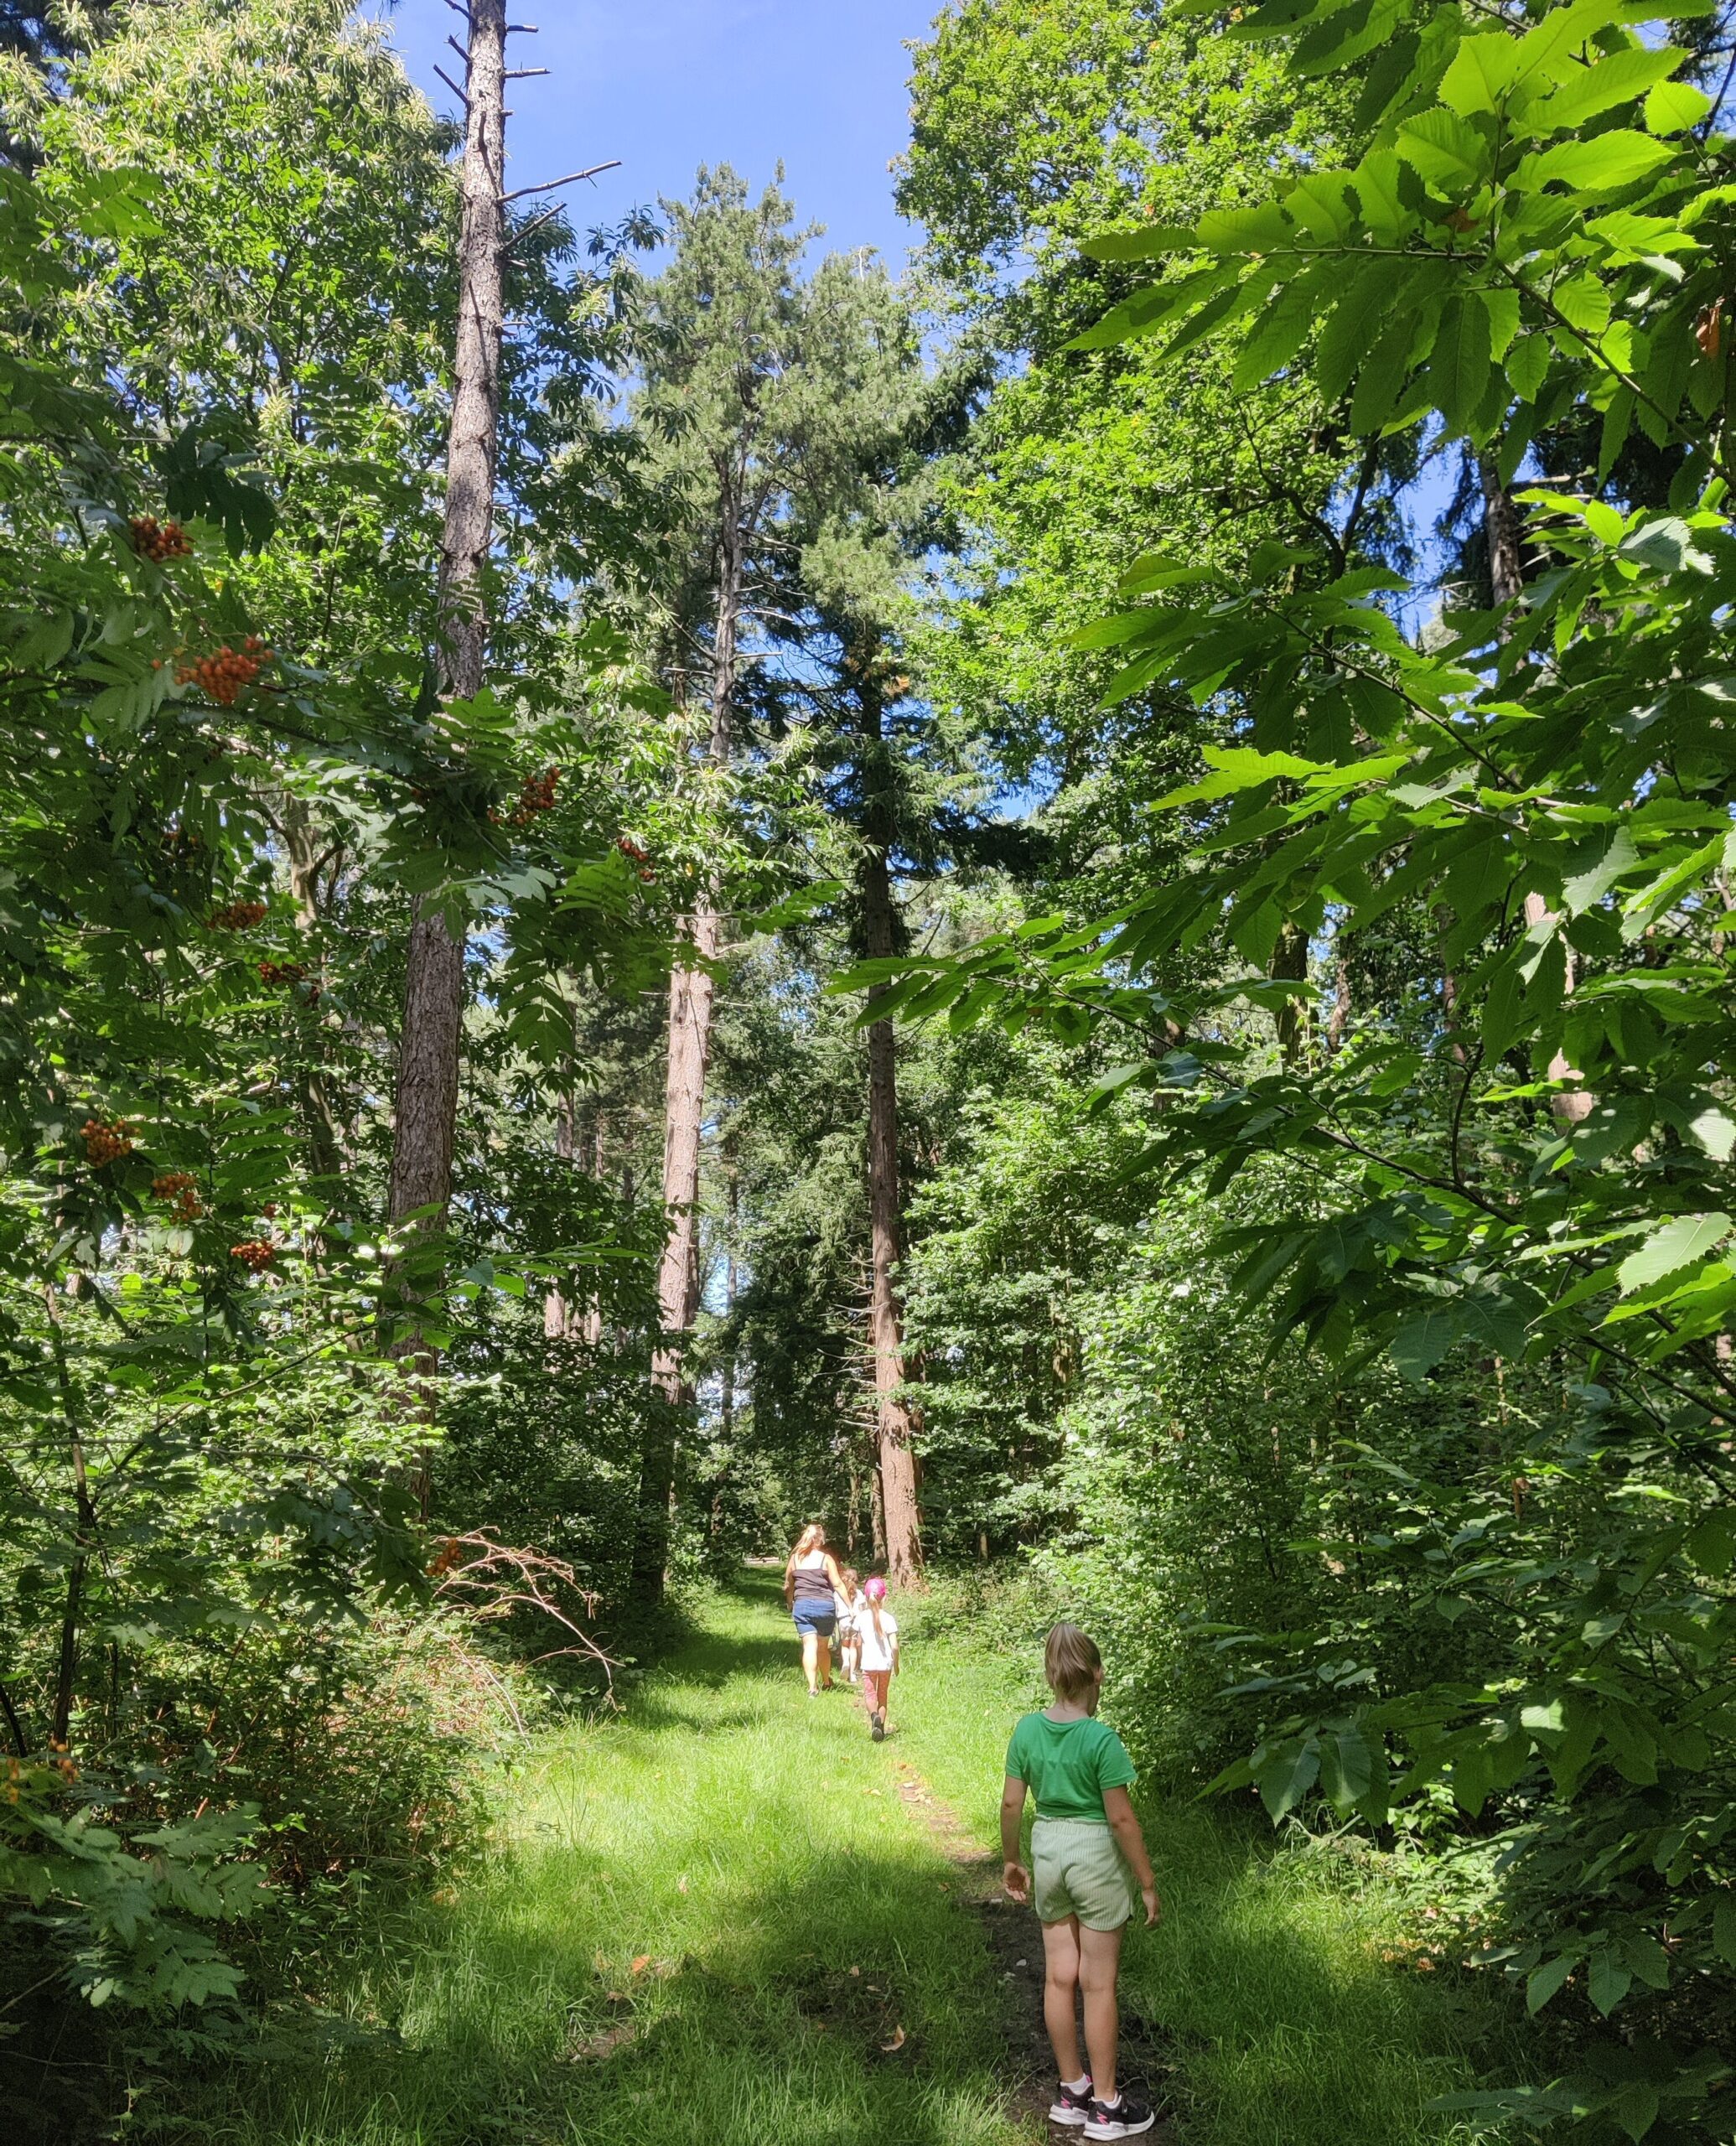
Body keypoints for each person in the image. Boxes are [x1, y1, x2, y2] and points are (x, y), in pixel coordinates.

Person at [1000, 1622, 1161, 2141]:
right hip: (1093, 1856)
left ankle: (1072, 2091)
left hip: (1047, 1851)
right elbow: (1122, 1821)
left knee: (1057, 1978)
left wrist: (1011, 1859)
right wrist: (1148, 1881)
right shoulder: (1101, 1738)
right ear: (1097, 1674)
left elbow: (1010, 1803)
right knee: (1098, 1983)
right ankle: (1108, 2107)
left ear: (1051, 1676)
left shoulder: (1027, 1730)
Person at [783, 1522, 844, 1696]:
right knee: (823, 1648)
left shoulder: (795, 1559)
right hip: (824, 1606)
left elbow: (789, 1584)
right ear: (820, 1540)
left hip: (802, 1606)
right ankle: (826, 1681)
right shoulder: (826, 1559)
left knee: (809, 1646)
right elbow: (838, 1584)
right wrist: (850, 1606)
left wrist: (790, 1602)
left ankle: (812, 1688)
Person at [854, 1574, 899, 1740]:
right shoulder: (889, 1619)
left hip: (869, 1664)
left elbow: (858, 1643)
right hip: (885, 1665)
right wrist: (897, 1665)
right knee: (882, 1696)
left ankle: (874, 1717)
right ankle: (881, 1728)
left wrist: (859, 1660)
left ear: (866, 1597)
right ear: (884, 1598)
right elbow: (894, 1646)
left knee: (870, 1695)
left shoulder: (861, 1618)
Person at [835, 1565, 862, 1685]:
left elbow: (835, 1609)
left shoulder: (838, 1593)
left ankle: (845, 1662)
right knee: (853, 1647)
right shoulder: (859, 1593)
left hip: (843, 1620)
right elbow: (862, 1608)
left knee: (844, 1645)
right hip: (856, 1621)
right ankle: (852, 1674)